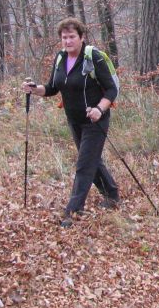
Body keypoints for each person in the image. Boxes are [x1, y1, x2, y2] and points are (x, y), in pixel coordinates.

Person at [23, 17, 119, 227]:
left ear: (81, 37)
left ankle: (73, 211)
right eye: (64, 38)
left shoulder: (93, 57)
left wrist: (99, 109)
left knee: (84, 165)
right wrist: (35, 88)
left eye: (72, 37)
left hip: (95, 119)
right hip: (73, 118)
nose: (68, 41)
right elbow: (52, 88)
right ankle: (111, 193)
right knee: (91, 160)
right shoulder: (60, 58)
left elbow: (111, 89)